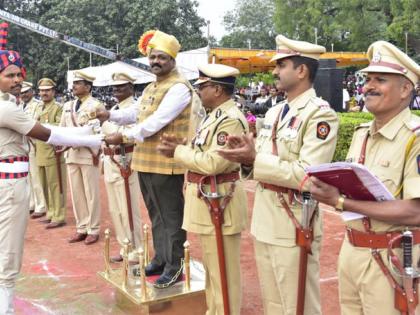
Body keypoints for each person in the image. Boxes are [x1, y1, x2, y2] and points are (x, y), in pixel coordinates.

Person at [218, 34, 339, 315]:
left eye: (281, 65)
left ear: (301, 70)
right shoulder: (274, 112)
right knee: (272, 303)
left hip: (294, 221)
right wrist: (246, 158)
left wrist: (255, 159)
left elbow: (307, 175)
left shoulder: (320, 115)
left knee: (299, 305)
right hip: (265, 220)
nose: (274, 71)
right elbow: (259, 159)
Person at [310, 41, 420, 315]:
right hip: (352, 250)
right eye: (367, 79)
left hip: (393, 256)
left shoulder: (415, 138)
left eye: (380, 80)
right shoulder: (361, 132)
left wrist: (340, 202)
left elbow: (415, 212)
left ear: (406, 89)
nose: (368, 86)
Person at [0, 49, 105, 314]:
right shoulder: (5, 108)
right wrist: (92, 139)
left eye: (18, 75)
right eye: (9, 75)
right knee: (8, 255)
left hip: (12, 179)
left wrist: (82, 133)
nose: (16, 80)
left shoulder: (8, 104)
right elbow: (47, 134)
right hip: (10, 184)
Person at [96, 30, 193, 287]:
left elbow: (155, 122)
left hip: (166, 162)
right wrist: (111, 115)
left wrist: (122, 136)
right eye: (152, 58)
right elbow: (136, 113)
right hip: (145, 161)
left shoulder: (179, 87)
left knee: (171, 216)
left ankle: (175, 267)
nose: (155, 62)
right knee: (155, 213)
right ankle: (161, 259)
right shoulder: (152, 86)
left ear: (173, 59)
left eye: (162, 57)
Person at [158, 64, 248, 314]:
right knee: (213, 270)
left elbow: (213, 163)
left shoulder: (230, 119)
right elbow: (203, 152)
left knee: (223, 272)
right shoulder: (214, 115)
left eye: (203, 86)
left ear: (217, 89)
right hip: (210, 201)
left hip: (220, 202)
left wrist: (178, 151)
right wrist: (184, 146)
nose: (198, 91)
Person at [60, 70, 105, 245]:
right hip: (71, 154)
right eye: (74, 83)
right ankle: (81, 227)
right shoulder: (68, 105)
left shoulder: (96, 105)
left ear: (88, 86)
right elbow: (63, 129)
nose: (74, 86)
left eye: (78, 83)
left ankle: (93, 229)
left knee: (91, 193)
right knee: (77, 193)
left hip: (88, 153)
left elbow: (99, 130)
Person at [102, 72, 142, 263]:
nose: (117, 90)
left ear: (131, 88)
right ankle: (125, 246)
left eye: (121, 87)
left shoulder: (136, 108)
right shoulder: (114, 109)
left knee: (128, 208)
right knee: (115, 209)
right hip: (111, 161)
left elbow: (134, 134)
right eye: (115, 87)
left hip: (127, 161)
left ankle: (137, 250)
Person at [34, 78, 66, 229]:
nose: (43, 93)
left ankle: (59, 216)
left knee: (55, 184)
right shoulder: (38, 107)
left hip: (53, 151)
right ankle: (50, 212)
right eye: (41, 90)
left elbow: (59, 126)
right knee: (44, 184)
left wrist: (40, 125)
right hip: (39, 150)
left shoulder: (58, 108)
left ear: (53, 91)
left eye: (47, 90)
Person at [20, 81, 48, 218]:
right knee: (28, 177)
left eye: (26, 92)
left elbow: (36, 123)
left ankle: (41, 205)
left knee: (36, 176)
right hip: (23, 145)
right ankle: (32, 202)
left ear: (32, 91)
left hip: (34, 143)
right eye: (22, 92)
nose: (23, 95)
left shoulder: (38, 105)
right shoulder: (19, 105)